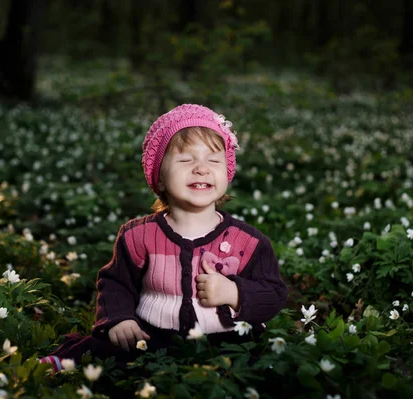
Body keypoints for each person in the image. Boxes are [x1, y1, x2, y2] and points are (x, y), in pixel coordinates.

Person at [40, 104, 288, 371]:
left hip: (227, 341)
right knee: (108, 350)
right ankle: (61, 362)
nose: (202, 168)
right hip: (153, 337)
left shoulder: (248, 242)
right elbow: (116, 284)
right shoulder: (139, 236)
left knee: (264, 363)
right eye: (185, 159)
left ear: (226, 172)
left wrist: (235, 293)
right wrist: (120, 319)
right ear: (159, 178)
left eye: (214, 160)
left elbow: (274, 294)